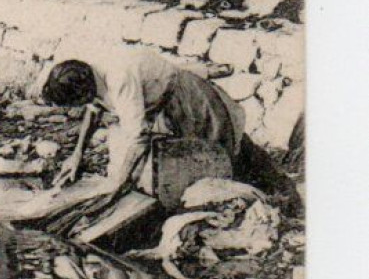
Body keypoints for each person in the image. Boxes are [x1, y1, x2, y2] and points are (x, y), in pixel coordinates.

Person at [35, 47, 297, 227]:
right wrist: (77, 155)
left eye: (77, 102)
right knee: (189, 159)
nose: (81, 106)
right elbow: (93, 110)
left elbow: (138, 138)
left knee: (223, 149)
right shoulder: (89, 76)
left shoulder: (119, 78)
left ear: (84, 89)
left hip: (186, 99)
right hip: (161, 106)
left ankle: (285, 196)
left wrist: (118, 185)